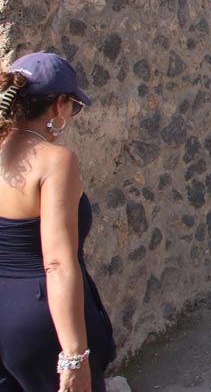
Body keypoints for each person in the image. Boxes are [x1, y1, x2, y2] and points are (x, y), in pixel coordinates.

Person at [0, 52, 115, 392]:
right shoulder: (55, 162)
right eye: (73, 107)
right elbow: (57, 264)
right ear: (59, 105)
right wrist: (74, 356)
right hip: (40, 318)